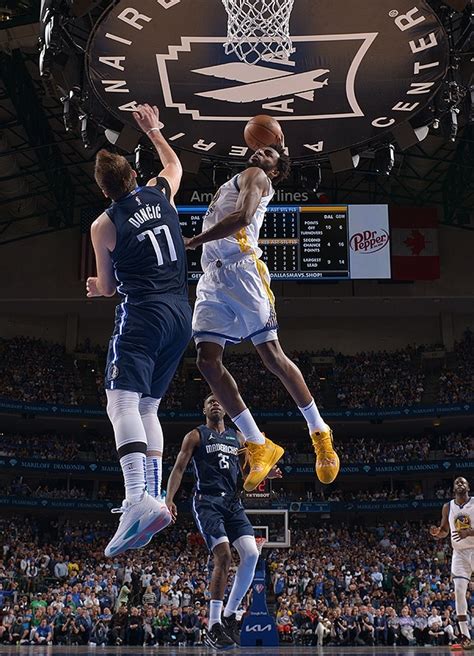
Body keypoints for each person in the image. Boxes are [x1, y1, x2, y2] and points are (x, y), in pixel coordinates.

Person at [184, 144, 338, 491]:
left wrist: (194, 239)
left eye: (268, 152)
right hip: (212, 278)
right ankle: (257, 443)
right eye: (258, 148)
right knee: (207, 362)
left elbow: (242, 218)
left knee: (272, 356)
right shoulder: (239, 177)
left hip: (242, 272)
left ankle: (320, 432)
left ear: (276, 168)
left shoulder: (257, 177)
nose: (258, 153)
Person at [88, 104, 192, 557]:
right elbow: (174, 164)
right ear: (134, 175)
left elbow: (109, 287)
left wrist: (97, 286)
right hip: (180, 314)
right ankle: (151, 498)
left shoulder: (103, 225)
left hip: (144, 313)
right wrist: (153, 130)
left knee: (121, 402)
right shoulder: (160, 193)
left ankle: (134, 498)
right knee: (148, 404)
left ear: (103, 188)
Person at [165, 393, 281, 648]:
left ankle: (229, 615)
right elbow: (179, 468)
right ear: (204, 409)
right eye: (210, 401)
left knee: (251, 554)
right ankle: (212, 625)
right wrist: (169, 498)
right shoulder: (195, 435)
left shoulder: (237, 437)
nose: (216, 402)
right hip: (207, 502)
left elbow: (247, 471)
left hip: (232, 502)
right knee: (224, 556)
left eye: (219, 400)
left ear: (227, 409)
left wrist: (267, 472)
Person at [431, 476, 474, 650]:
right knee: (459, 591)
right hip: (459, 553)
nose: (460, 484)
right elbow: (444, 531)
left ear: (468, 487)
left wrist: (469, 532)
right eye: (457, 482)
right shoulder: (447, 507)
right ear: (453, 488)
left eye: (463, 482)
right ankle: (465, 636)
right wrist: (437, 533)